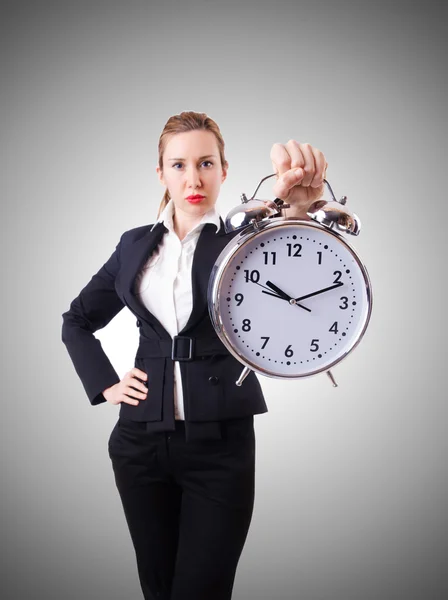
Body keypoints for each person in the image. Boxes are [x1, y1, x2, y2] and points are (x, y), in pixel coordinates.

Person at [61, 111, 328, 600]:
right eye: (179, 165)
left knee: (201, 592)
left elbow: (297, 268)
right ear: (160, 173)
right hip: (139, 444)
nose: (193, 178)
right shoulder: (134, 244)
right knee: (158, 589)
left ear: (224, 170)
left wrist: (299, 212)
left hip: (220, 447)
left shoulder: (244, 238)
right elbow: (76, 320)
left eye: (206, 163)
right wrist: (106, 384)